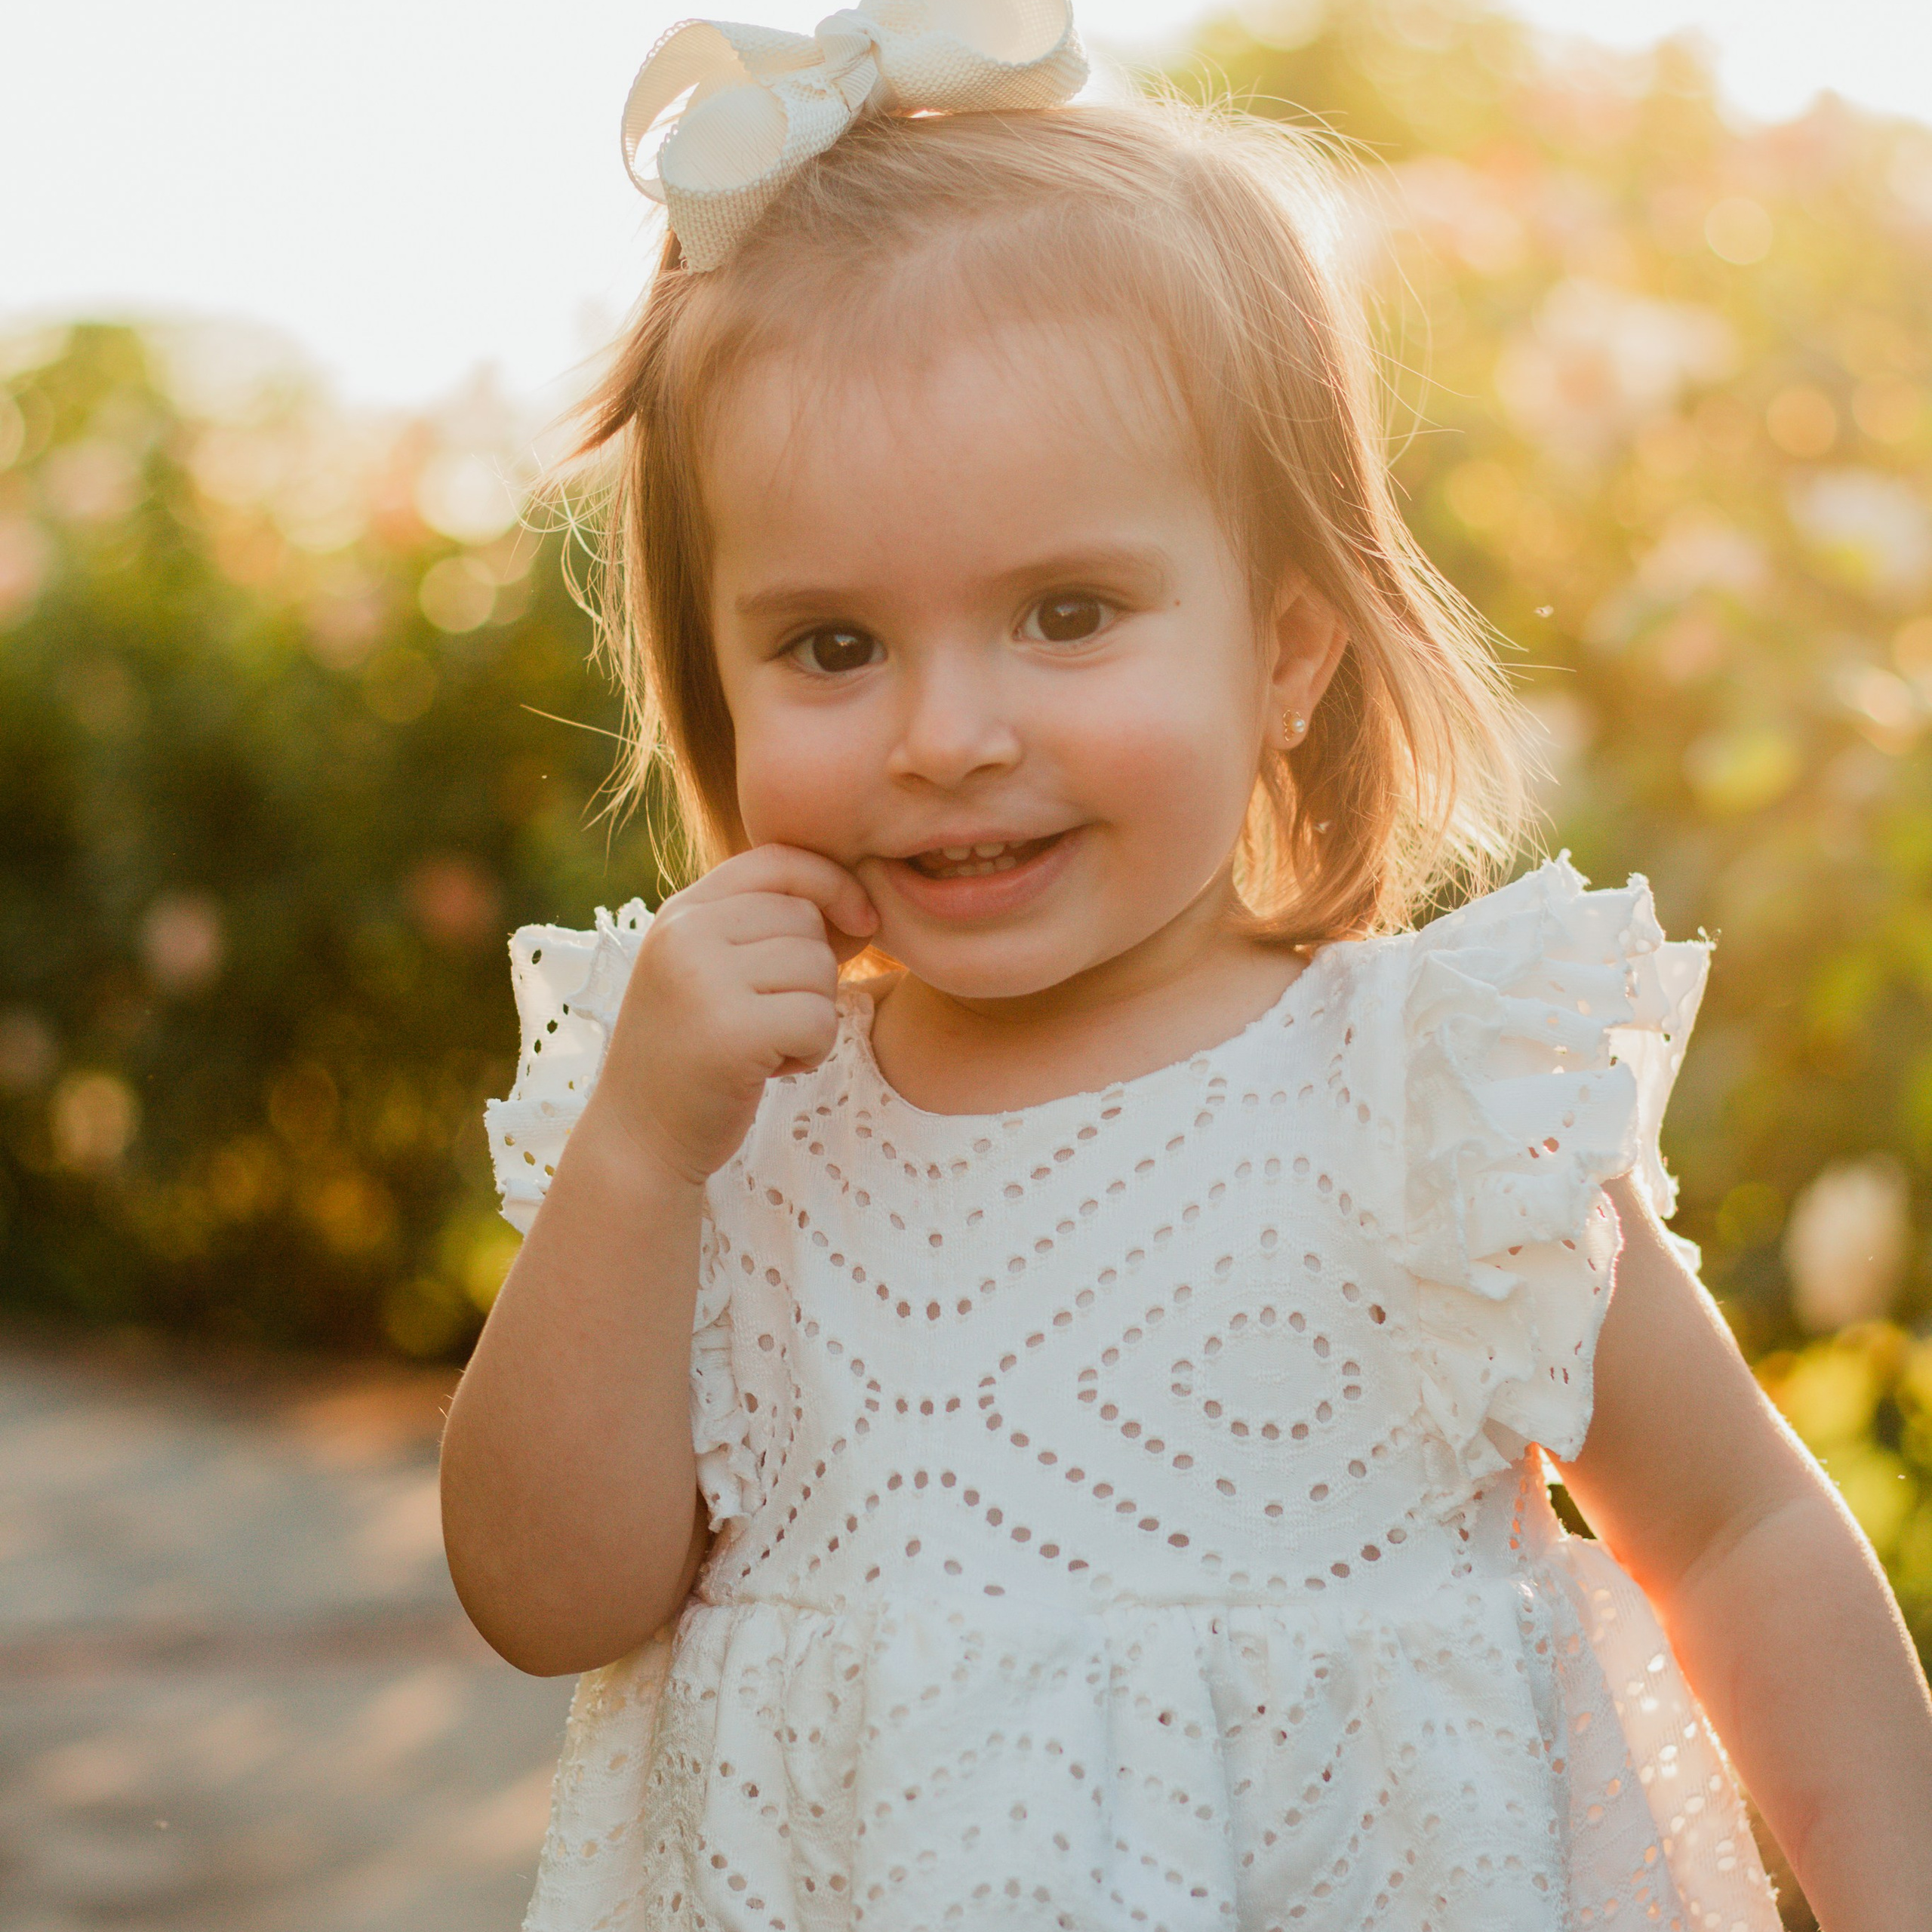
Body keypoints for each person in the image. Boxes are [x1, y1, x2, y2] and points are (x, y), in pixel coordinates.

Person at [438, 1, 1932, 1924]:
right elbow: (546, 1596)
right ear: (712, 677)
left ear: (1285, 647)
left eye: (1066, 613)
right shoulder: (729, 1136)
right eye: (831, 645)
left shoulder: (1427, 1102)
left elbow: (1728, 1531)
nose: (947, 734)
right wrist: (639, 1157)